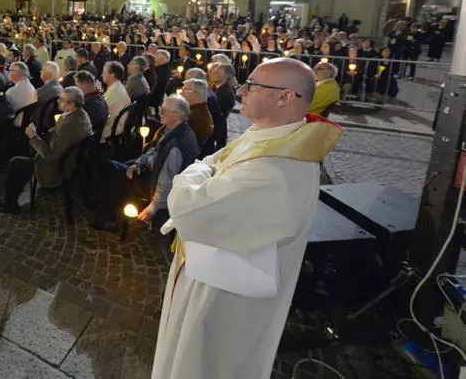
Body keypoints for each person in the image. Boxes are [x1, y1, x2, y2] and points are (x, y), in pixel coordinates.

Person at [152, 58, 341, 379]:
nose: (241, 91)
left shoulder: (277, 169)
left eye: (253, 85)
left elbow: (189, 208)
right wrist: (201, 173)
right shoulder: (268, 136)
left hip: (225, 295)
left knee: (201, 363)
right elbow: (210, 161)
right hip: (214, 268)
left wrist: (192, 175)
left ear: (285, 97)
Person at [91, 95, 198, 233]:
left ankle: (108, 219)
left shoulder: (176, 146)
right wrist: (138, 163)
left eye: (164, 110)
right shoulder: (174, 129)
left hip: (153, 184)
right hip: (152, 169)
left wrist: (153, 207)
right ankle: (108, 201)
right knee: (117, 168)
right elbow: (155, 151)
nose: (160, 113)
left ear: (177, 115)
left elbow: (166, 182)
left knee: (111, 169)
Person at [0, 86, 92, 214]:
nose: (58, 101)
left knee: (16, 162)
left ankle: (10, 203)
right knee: (24, 154)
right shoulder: (81, 115)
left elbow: (51, 156)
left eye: (62, 100)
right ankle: (10, 198)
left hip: (55, 167)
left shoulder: (69, 125)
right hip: (68, 160)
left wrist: (34, 137)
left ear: (72, 104)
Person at [209, 63, 236, 150]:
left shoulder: (224, 93)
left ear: (226, 76)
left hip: (214, 134)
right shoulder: (219, 89)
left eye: (218, 71)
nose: (213, 72)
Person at [101, 61, 130, 141]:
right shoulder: (117, 86)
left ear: (112, 75)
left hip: (112, 128)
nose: (102, 75)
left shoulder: (115, 92)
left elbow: (104, 117)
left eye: (104, 72)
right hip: (116, 124)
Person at [179, 78, 214, 148]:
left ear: (196, 94)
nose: (180, 93)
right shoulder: (200, 110)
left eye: (184, 91)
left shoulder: (193, 118)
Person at [6, 61, 37, 126]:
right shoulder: (31, 87)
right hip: (26, 124)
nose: (8, 73)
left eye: (10, 70)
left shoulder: (12, 91)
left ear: (17, 73)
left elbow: (3, 112)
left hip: (14, 125)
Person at [34, 61, 64, 128]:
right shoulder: (61, 89)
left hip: (39, 125)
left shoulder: (40, 92)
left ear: (48, 74)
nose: (40, 71)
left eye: (43, 70)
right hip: (53, 124)